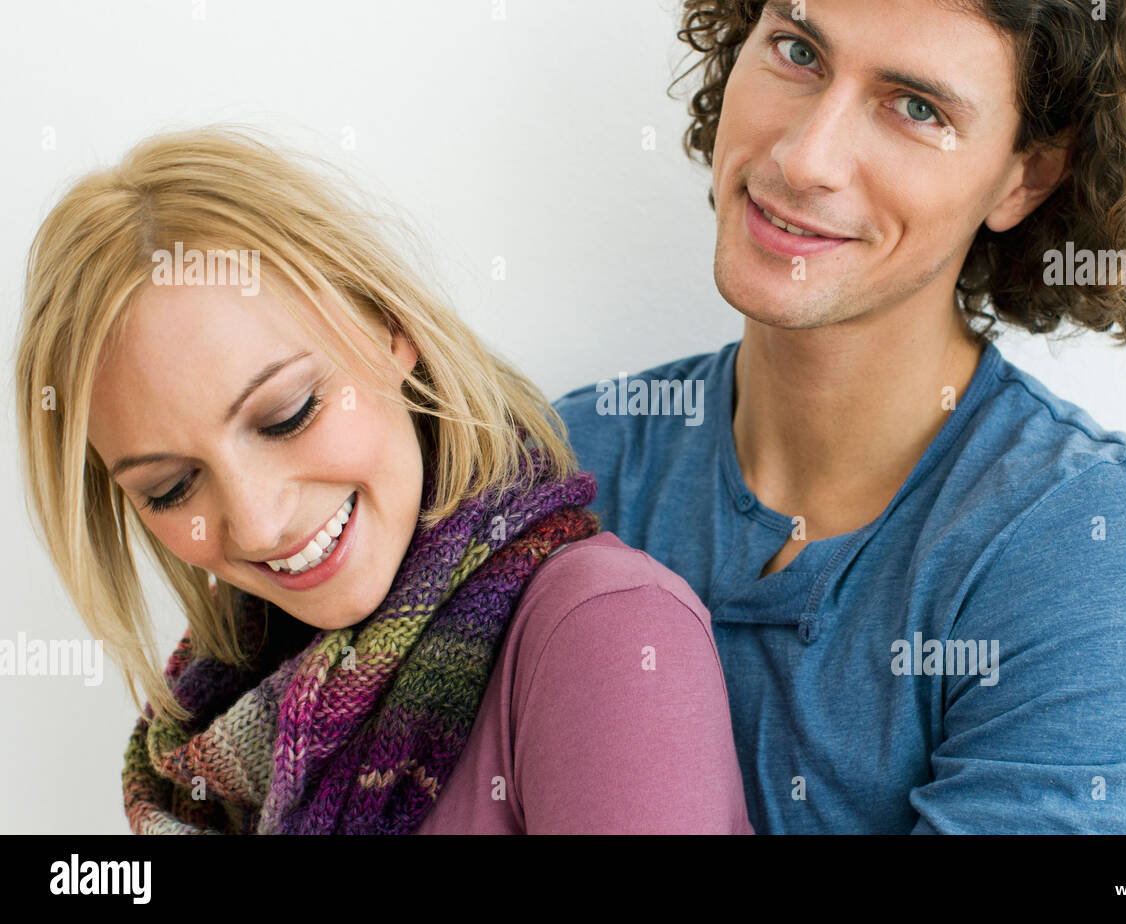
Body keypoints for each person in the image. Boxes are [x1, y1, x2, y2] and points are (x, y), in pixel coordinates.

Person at [554, 0, 1126, 833]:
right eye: (797, 51)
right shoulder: (559, 465)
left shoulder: (1106, 557)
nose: (805, 158)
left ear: (1024, 179)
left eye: (917, 108)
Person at [14, 126, 753, 835]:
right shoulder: (218, 719)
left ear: (388, 327)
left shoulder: (606, 632)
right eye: (172, 488)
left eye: (288, 414)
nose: (259, 521)